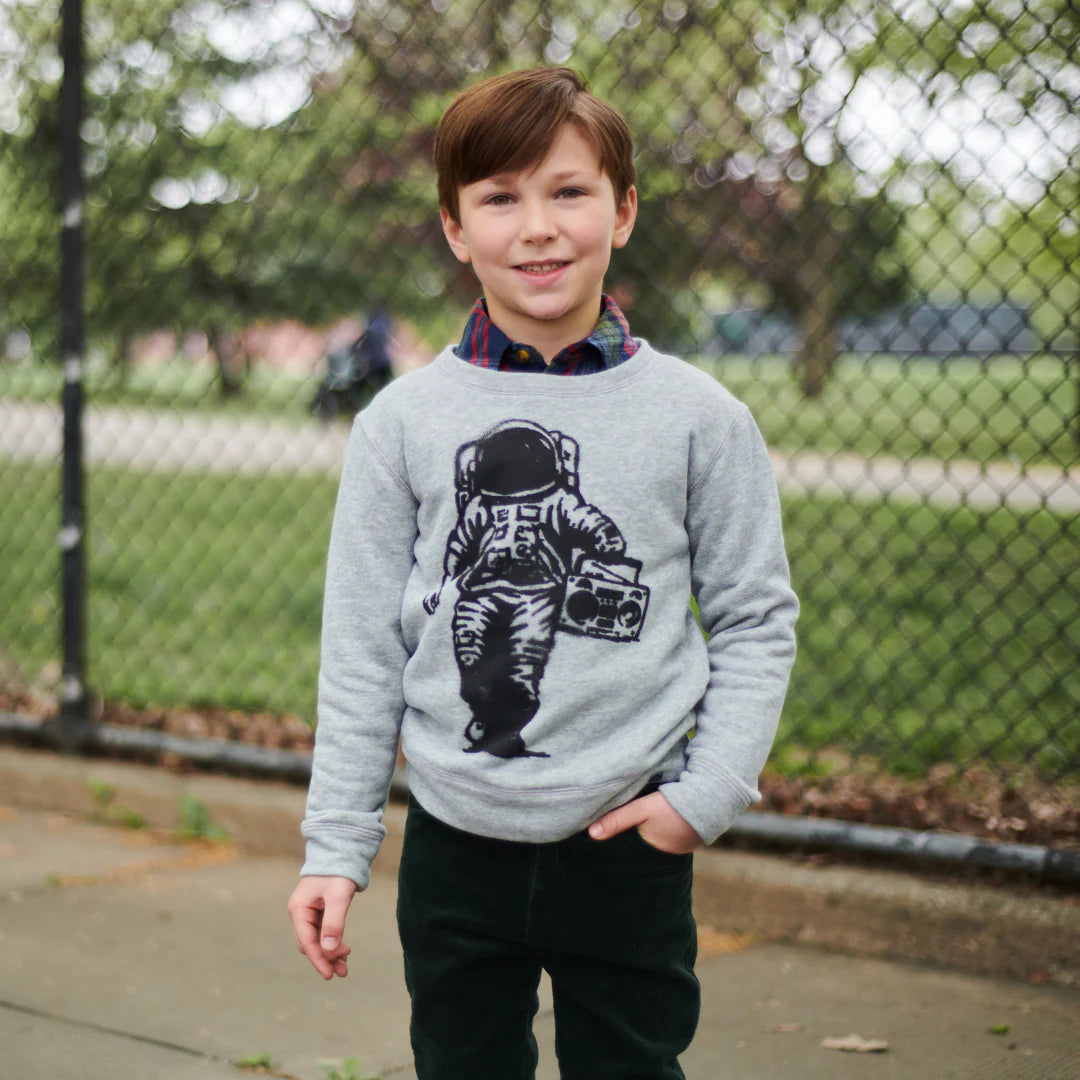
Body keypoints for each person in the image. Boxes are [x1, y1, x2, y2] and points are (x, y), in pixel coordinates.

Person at [287, 66, 799, 1080]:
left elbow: (753, 619)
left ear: (624, 211)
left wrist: (703, 799)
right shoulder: (401, 423)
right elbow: (362, 649)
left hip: (626, 837)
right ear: (454, 227)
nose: (537, 228)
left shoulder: (700, 418)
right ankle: (498, 722)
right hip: (453, 842)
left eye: (568, 191)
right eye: (499, 198)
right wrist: (335, 847)